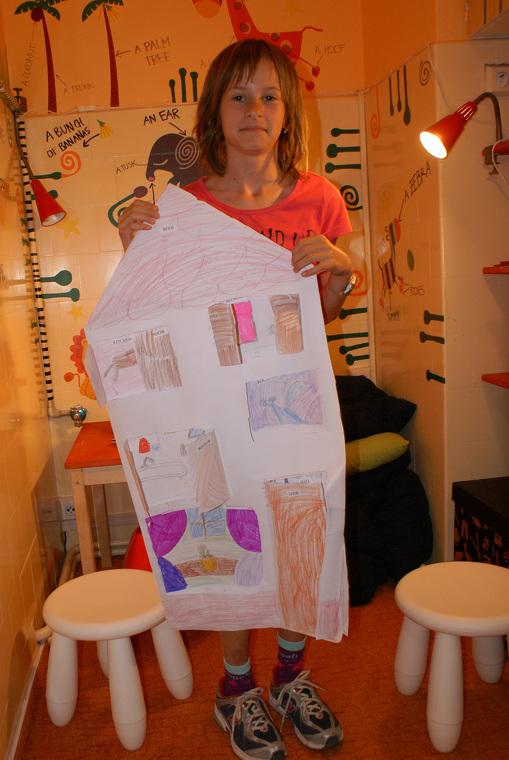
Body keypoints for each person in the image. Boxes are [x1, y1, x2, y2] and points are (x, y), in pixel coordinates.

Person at [118, 38, 355, 760]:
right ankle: (235, 686)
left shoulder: (320, 199)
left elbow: (322, 318)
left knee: (300, 529)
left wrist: (342, 274)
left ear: (288, 110)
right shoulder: (185, 206)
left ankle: (289, 674)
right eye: (239, 96)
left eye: (269, 96)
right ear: (215, 112)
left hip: (292, 402)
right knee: (222, 532)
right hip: (213, 407)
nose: (255, 109)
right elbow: (156, 312)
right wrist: (136, 248)